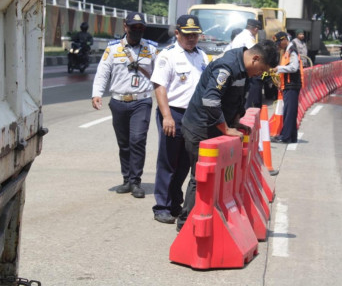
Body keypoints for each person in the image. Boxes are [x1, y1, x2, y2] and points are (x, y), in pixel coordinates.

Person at [176, 39, 279, 231]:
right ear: (255, 58)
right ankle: (186, 223)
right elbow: (210, 100)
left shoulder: (243, 69)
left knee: (215, 177)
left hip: (215, 126)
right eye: (261, 69)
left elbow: (237, 98)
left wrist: (236, 122)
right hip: (201, 127)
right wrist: (226, 129)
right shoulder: (227, 66)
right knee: (200, 177)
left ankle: (207, 216)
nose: (259, 74)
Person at [91, 12, 157, 198]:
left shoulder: (152, 49)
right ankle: (126, 179)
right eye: (133, 27)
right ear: (125, 26)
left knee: (137, 139)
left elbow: (161, 74)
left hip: (141, 101)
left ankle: (136, 181)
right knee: (124, 143)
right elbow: (102, 73)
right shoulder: (112, 49)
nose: (137, 31)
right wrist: (97, 93)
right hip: (119, 102)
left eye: (141, 28)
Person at [150, 15, 208, 224]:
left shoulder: (202, 56)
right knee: (168, 162)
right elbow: (159, 86)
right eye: (187, 34)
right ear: (177, 33)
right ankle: (162, 206)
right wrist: (166, 116)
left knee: (185, 163)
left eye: (195, 34)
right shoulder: (168, 56)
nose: (191, 38)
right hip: (173, 113)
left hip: (194, 116)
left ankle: (176, 202)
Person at [271, 31, 302, 144]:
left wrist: (278, 68)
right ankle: (292, 136)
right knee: (290, 111)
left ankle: (286, 137)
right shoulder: (287, 51)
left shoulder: (291, 50)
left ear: (285, 39)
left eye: (279, 42)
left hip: (292, 85)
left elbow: (294, 67)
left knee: (289, 112)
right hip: (288, 84)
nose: (278, 45)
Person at [225, 18, 264, 109]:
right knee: (242, 94)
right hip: (241, 69)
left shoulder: (241, 35)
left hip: (236, 68)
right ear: (256, 29)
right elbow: (255, 53)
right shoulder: (248, 38)